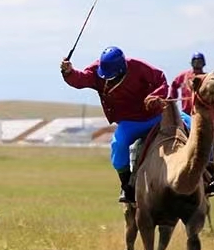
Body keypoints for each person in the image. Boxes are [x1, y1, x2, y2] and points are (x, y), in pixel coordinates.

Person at [61, 46, 174, 203]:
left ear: (122, 69)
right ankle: (127, 187)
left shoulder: (138, 66)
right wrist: (69, 72)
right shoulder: (96, 70)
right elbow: (80, 79)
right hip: (130, 122)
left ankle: (208, 176)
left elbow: (160, 78)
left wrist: (156, 96)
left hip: (156, 116)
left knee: (190, 123)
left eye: (111, 76)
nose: (107, 79)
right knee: (118, 144)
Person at [169, 52, 214, 165]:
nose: (197, 64)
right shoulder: (184, 76)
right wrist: (172, 99)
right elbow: (174, 85)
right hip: (187, 113)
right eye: (195, 61)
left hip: (204, 114)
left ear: (203, 63)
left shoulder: (207, 78)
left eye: (199, 61)